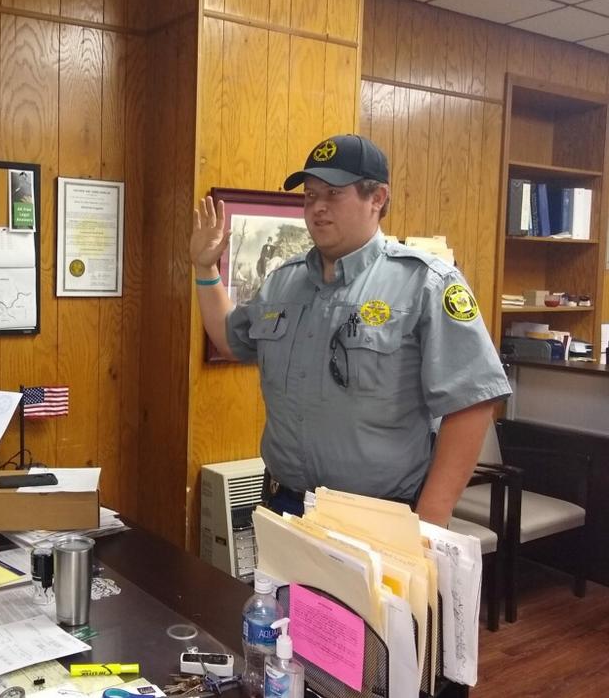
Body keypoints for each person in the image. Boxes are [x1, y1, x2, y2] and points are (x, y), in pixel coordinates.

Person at [190, 134, 510, 526]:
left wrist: (431, 518)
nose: (317, 209)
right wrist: (206, 270)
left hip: (378, 516)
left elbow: (472, 403)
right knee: (282, 593)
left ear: (376, 198)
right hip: (285, 506)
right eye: (309, 196)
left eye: (332, 194)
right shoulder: (283, 283)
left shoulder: (425, 283)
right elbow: (230, 340)